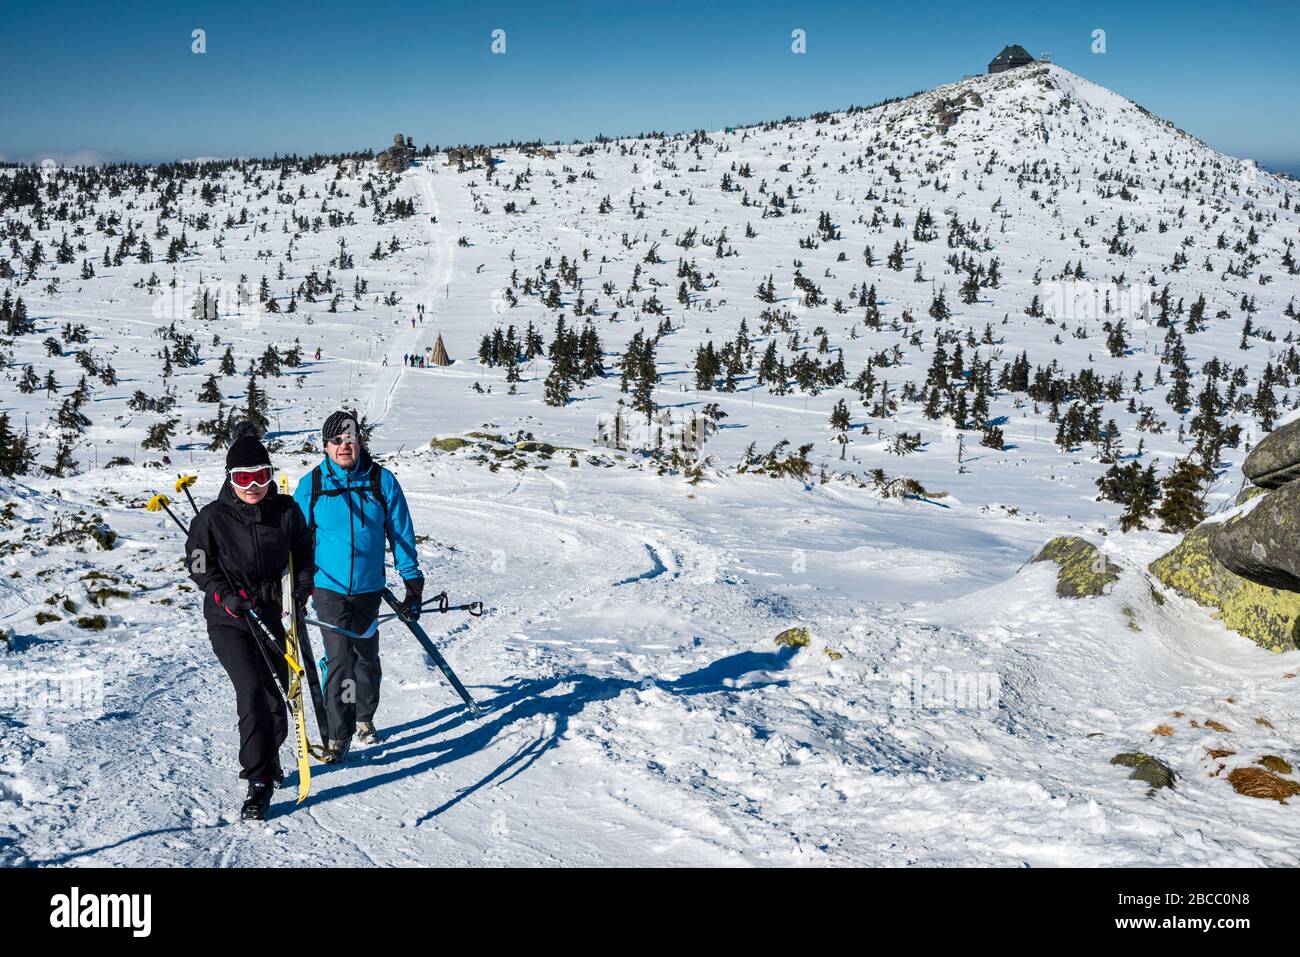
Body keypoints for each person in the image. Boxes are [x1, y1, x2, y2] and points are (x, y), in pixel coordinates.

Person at [185, 429, 314, 821]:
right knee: (253, 692)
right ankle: (257, 780)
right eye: (243, 478)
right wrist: (224, 595)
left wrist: (302, 587)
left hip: (273, 614)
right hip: (230, 619)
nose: (254, 486)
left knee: (278, 697)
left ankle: (269, 758)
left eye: (261, 475)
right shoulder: (210, 518)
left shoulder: (287, 511)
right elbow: (196, 565)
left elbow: (304, 553)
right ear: (229, 478)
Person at [293, 410, 424, 761]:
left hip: (369, 587)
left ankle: (364, 716)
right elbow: (296, 540)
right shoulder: (313, 484)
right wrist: (295, 586)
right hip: (327, 587)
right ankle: (339, 732)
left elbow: (400, 533)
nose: (344, 446)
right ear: (325, 446)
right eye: (336, 441)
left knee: (366, 659)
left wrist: (412, 581)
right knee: (340, 659)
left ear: (360, 441)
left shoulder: (382, 481)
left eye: (349, 439)